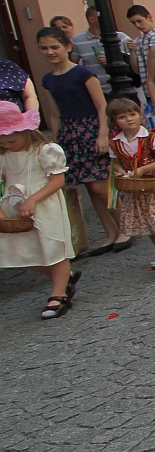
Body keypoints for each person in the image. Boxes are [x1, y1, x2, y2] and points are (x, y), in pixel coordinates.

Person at [37, 27, 125, 256]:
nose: (50, 52)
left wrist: (103, 134)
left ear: (67, 47)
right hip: (70, 134)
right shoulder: (48, 80)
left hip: (91, 129)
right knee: (89, 187)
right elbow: (54, 113)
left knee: (101, 184)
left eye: (54, 47)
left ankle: (125, 227)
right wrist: (56, 143)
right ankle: (110, 232)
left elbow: (101, 105)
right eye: (44, 48)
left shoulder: (83, 73)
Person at [0, 101, 78, 319]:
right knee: (20, 251)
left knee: (53, 247)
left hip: (44, 203)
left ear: (26, 131)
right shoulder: (4, 154)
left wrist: (33, 199)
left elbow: (57, 180)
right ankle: (63, 277)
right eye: (3, 141)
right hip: (15, 204)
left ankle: (58, 294)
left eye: (12, 139)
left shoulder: (44, 151)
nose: (8, 144)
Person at [106, 98, 155, 271]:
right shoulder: (115, 143)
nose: (129, 119)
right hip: (136, 189)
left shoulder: (152, 138)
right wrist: (119, 171)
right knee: (149, 225)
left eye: (132, 114)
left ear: (140, 115)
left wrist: (142, 169)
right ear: (115, 121)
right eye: (122, 117)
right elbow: (115, 163)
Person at [69, 7, 133, 97]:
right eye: (103, 16)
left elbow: (133, 61)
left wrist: (113, 61)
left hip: (123, 88)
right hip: (96, 92)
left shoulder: (120, 36)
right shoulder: (77, 40)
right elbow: (73, 65)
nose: (107, 19)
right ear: (92, 19)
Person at [126, 5, 155, 108]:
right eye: (133, 23)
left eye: (139, 21)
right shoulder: (137, 41)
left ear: (149, 17)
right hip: (148, 92)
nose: (137, 25)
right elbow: (137, 70)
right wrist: (132, 51)